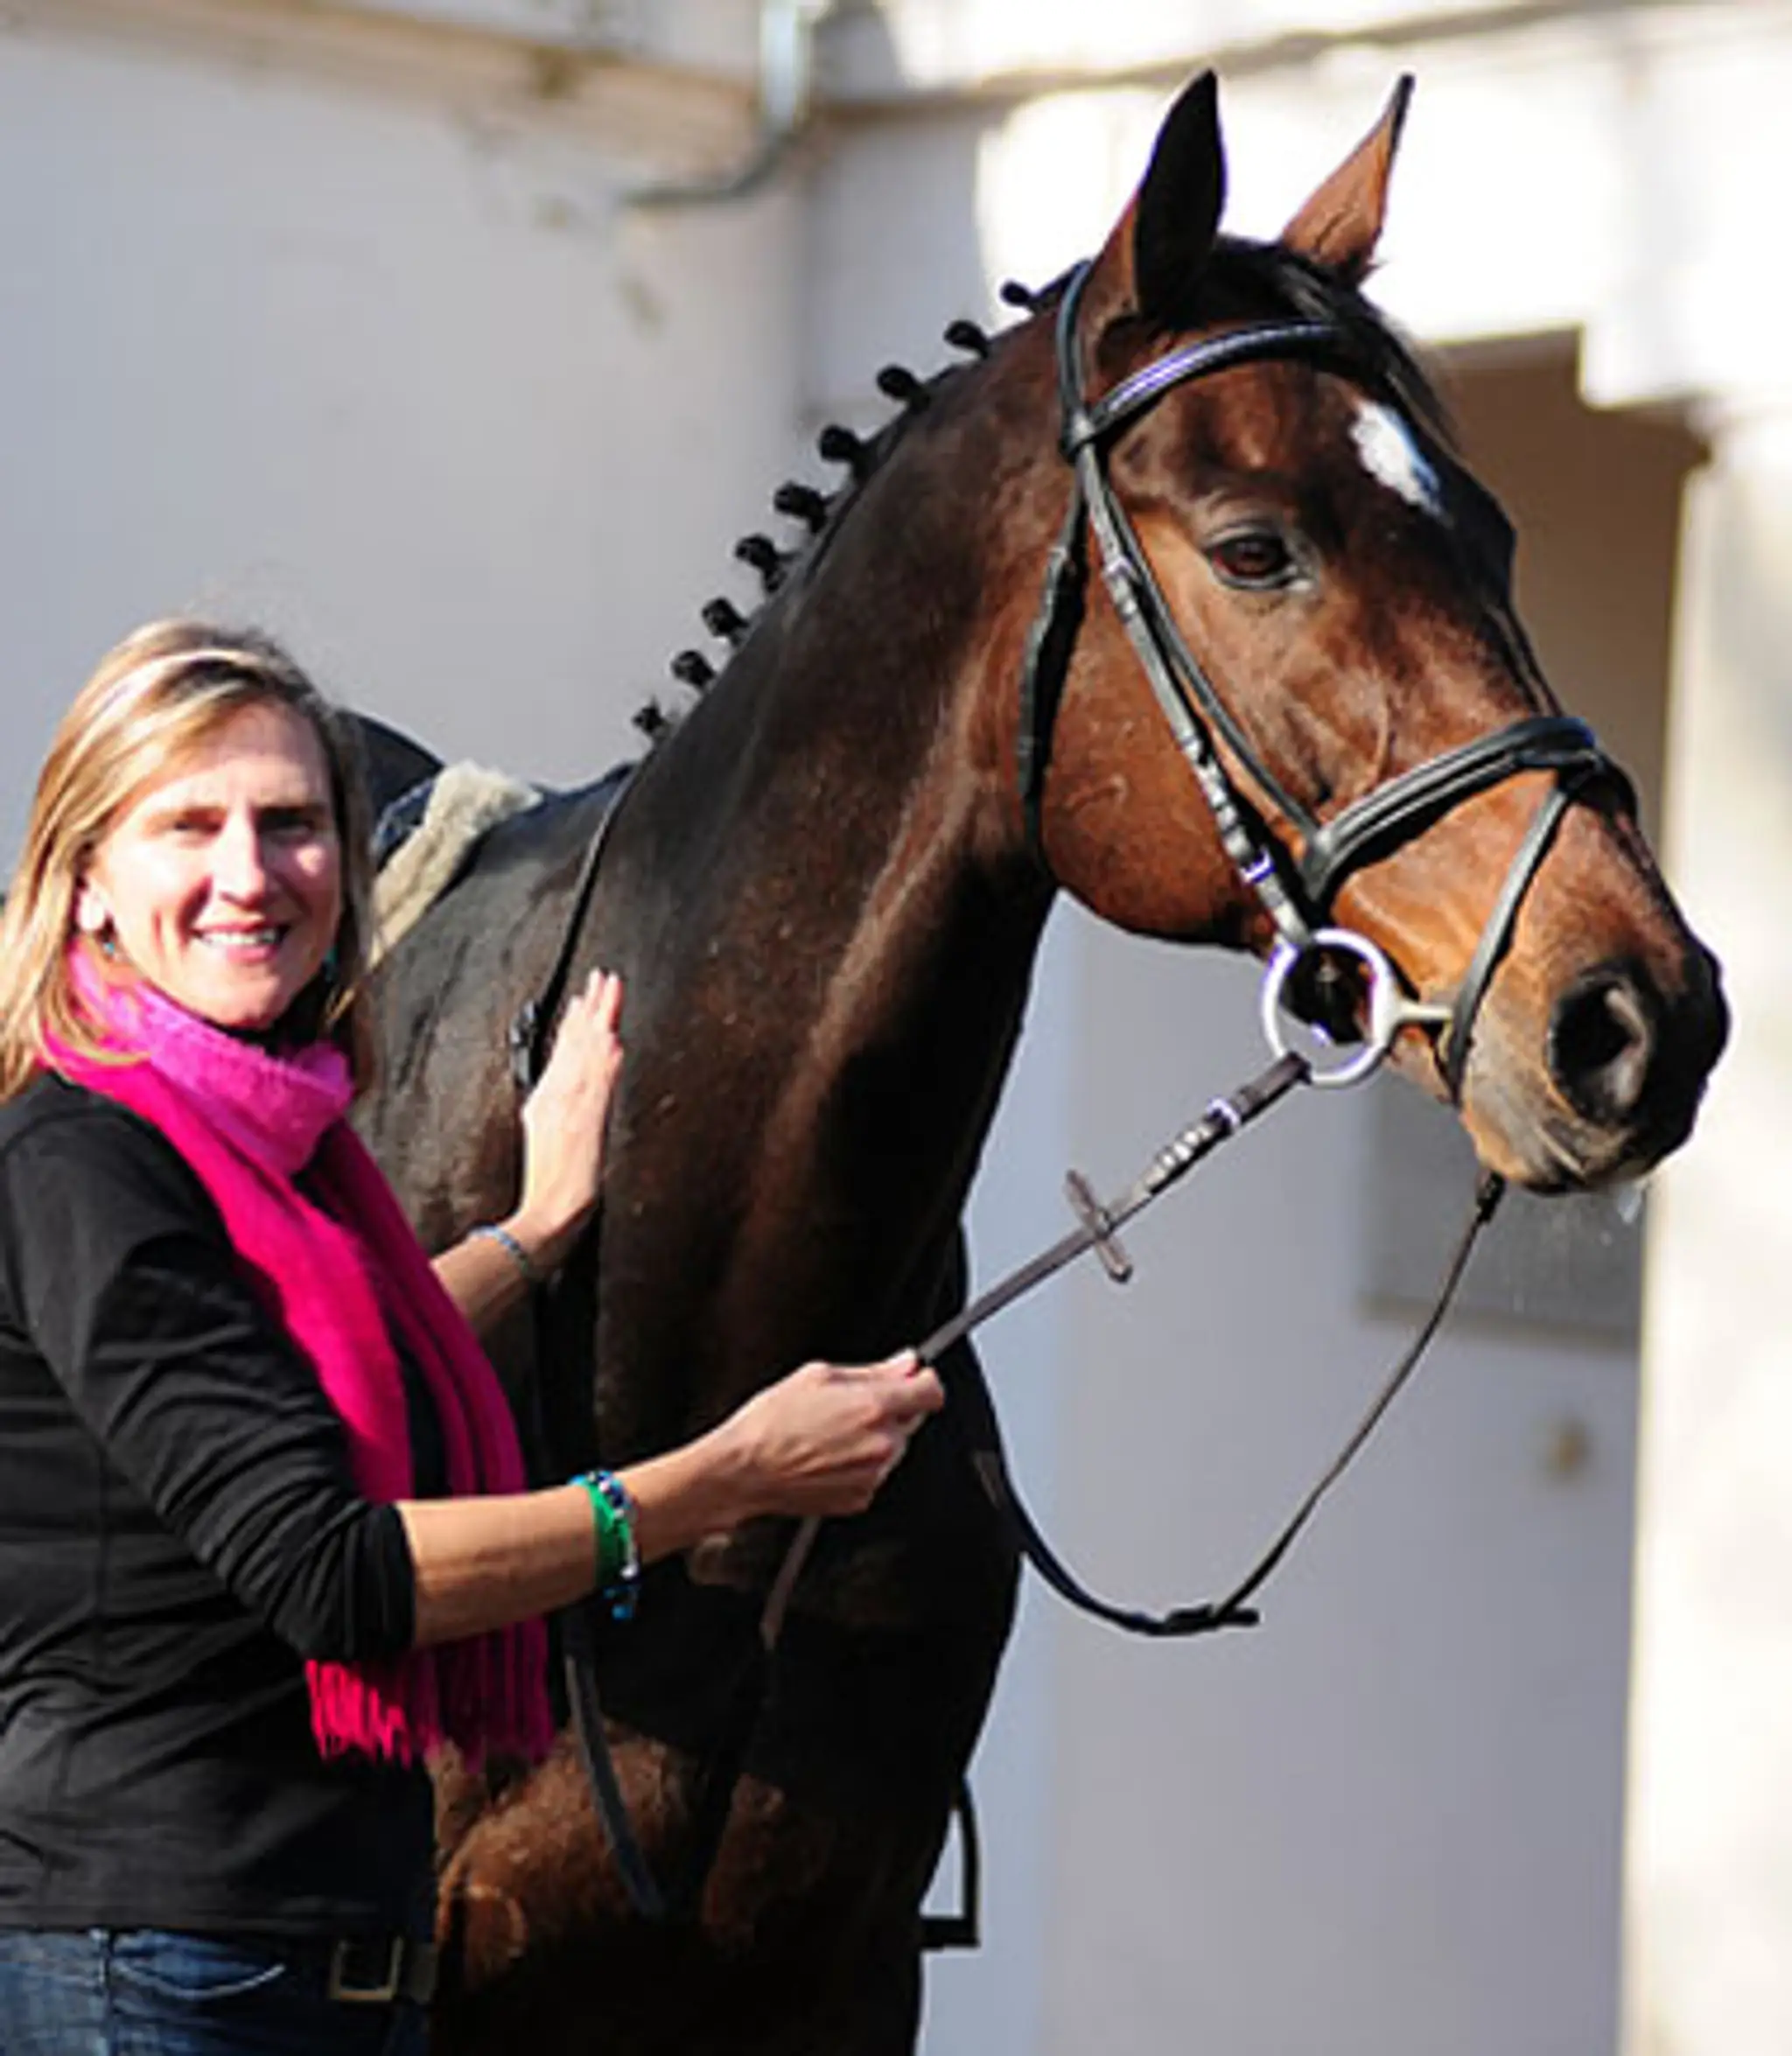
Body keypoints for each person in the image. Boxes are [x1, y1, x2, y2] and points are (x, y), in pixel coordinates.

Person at [0, 619, 942, 2055]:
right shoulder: (86, 1160)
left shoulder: (272, 1141)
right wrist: (724, 1480)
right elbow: (336, 1572)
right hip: (156, 1970)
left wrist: (536, 1230)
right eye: (188, 826)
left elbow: (300, 1381)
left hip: (319, 1962)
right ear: (88, 885)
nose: (250, 872)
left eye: (293, 822)